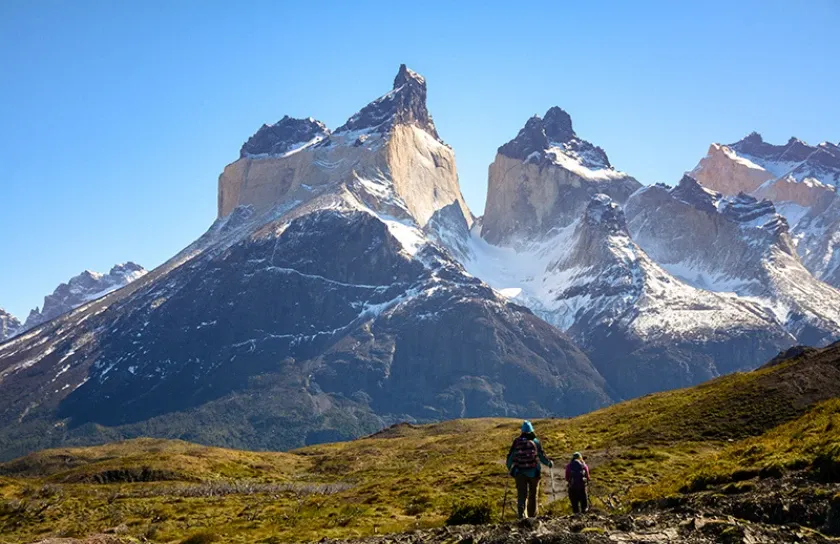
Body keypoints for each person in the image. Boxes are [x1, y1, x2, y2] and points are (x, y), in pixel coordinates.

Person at [506, 420, 553, 519]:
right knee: (533, 495)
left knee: (522, 495)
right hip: (534, 473)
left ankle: (521, 516)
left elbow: (510, 458)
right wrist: (549, 463)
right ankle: (533, 517)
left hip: (520, 473)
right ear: (531, 430)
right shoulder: (535, 442)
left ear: (522, 431)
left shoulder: (517, 442)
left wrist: (510, 467)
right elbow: (541, 456)